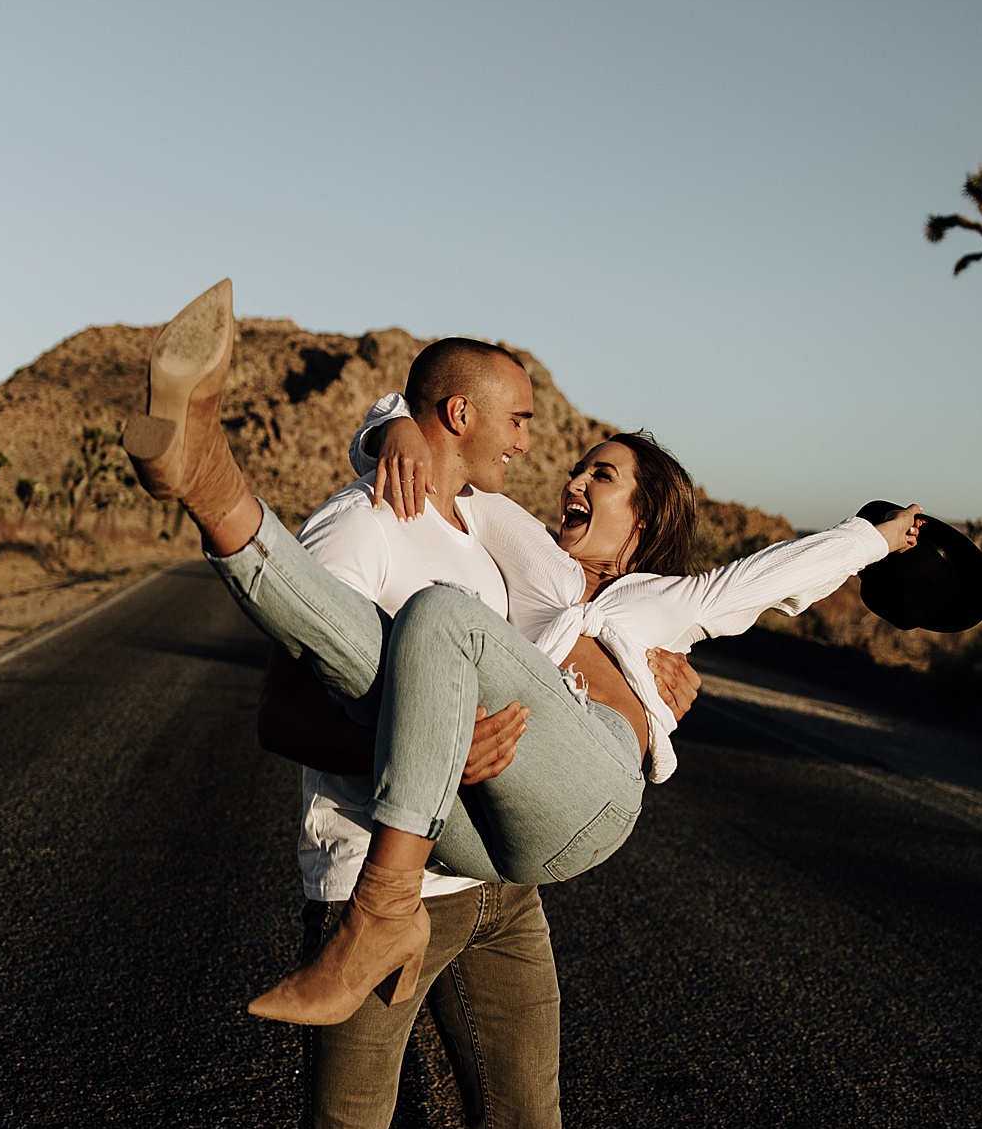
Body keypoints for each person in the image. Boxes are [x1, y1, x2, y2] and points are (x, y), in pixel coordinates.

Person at [119, 281, 686, 1129]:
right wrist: (421, 744)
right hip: (372, 885)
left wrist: (647, 701)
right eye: (521, 417)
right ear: (460, 416)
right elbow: (278, 710)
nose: (534, 440)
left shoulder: (479, 530)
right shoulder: (368, 521)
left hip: (498, 898)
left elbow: (596, 621)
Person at [132, 281, 921, 1024]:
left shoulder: (662, 603)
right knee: (378, 651)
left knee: (438, 619)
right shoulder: (526, 552)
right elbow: (448, 465)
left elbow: (769, 576)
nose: (570, 473)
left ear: (641, 524)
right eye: (580, 464)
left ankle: (379, 913)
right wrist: (391, 421)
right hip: (481, 822)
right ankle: (207, 480)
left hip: (590, 791)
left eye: (601, 474)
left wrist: (873, 537)